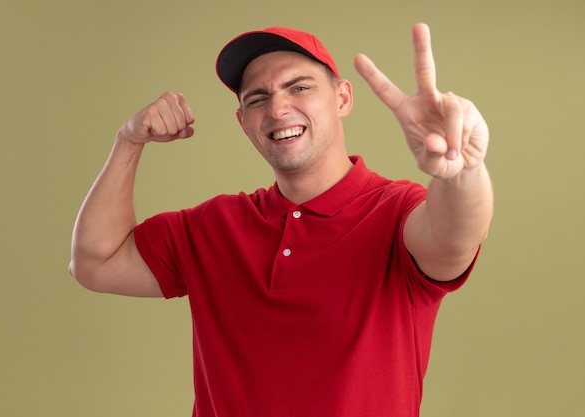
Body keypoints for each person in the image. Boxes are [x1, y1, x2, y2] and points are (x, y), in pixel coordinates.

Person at [69, 23, 493, 417]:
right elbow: (94, 263)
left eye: (299, 87)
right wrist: (129, 141)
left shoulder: (396, 210)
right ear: (243, 123)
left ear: (342, 98)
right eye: (257, 98)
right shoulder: (212, 226)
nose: (277, 108)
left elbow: (453, 238)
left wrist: (462, 168)